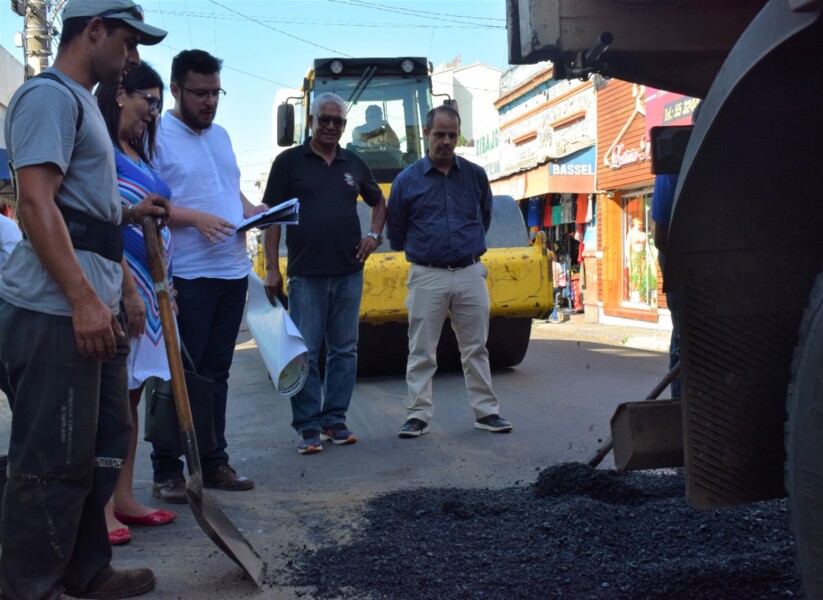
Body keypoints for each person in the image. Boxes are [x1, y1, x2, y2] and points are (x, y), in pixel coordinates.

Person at [0, 1, 168, 598]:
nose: (132, 59)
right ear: (92, 31)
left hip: (89, 302)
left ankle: (85, 570)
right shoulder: (48, 96)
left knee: (102, 445)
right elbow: (35, 205)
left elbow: (84, 212)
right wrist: (82, 301)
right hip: (52, 311)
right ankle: (29, 588)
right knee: (50, 458)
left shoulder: (83, 107)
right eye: (126, 43)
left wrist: (124, 252)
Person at [150, 49, 267, 502]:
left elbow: (226, 184)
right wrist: (194, 219)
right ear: (176, 89)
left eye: (216, 92)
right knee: (181, 373)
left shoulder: (220, 135)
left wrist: (250, 210)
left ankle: (215, 462)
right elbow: (151, 203)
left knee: (218, 372)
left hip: (232, 270)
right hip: (189, 275)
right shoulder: (157, 136)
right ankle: (168, 470)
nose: (210, 102)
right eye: (200, 93)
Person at [261, 92, 387, 455]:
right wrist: (272, 268)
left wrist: (374, 236)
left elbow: (379, 202)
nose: (331, 126)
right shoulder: (289, 162)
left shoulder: (354, 164)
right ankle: (308, 427)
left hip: (349, 273)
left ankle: (334, 419)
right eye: (324, 119)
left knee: (344, 349)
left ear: (345, 126)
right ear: (311, 121)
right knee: (306, 351)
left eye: (338, 121)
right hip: (307, 276)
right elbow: (272, 218)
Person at [386, 105, 512, 438]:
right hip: (427, 274)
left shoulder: (475, 176)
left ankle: (487, 413)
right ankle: (418, 415)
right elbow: (396, 234)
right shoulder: (406, 181)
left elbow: (483, 218)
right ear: (425, 134)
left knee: (476, 348)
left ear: (459, 136)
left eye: (452, 135)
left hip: (470, 272)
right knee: (422, 350)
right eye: (439, 134)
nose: (446, 141)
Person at [96, 62, 177, 545]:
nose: (153, 112)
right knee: (108, 404)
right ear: (121, 94)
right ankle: (101, 506)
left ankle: (124, 498)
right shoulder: (100, 151)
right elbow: (103, 223)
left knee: (131, 399)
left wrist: (168, 288)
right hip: (118, 282)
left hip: (151, 285)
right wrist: (128, 289)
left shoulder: (138, 153)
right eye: (149, 100)